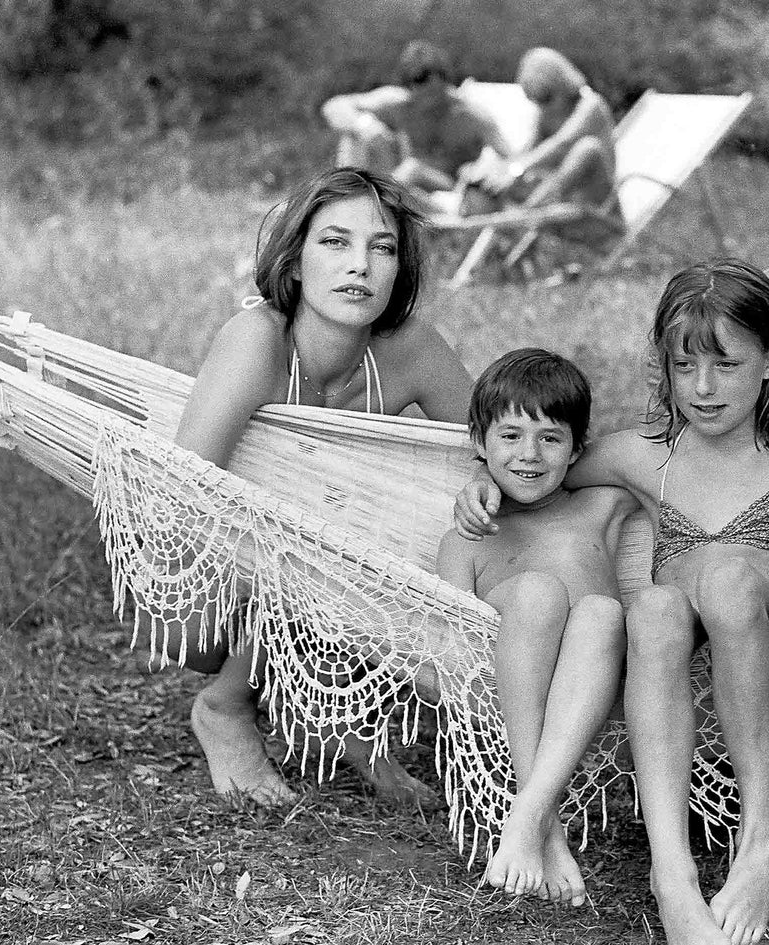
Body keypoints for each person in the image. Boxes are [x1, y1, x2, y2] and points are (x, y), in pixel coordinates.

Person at [456, 259, 769, 945]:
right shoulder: (641, 454)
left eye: (726, 365)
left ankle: (759, 839)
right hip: (675, 626)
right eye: (684, 367)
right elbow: (537, 465)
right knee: (649, 607)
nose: (703, 388)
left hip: (759, 610)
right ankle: (672, 874)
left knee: (724, 580)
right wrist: (481, 473)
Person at [165, 166, 475, 807]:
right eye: (335, 242)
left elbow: (490, 451)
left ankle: (343, 721)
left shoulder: (410, 348)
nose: (360, 265)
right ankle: (225, 706)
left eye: (382, 247)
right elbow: (182, 492)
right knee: (332, 522)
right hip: (193, 584)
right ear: (297, 260)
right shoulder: (257, 342)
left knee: (415, 523)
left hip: (318, 571)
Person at [436, 348, 637, 906]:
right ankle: (543, 822)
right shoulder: (466, 540)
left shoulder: (604, 505)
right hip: (506, 689)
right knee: (537, 592)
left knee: (601, 612)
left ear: (577, 449)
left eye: (550, 438)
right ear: (479, 443)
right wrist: (481, 477)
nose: (529, 454)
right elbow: (450, 655)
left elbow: (669, 449)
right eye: (510, 437)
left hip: (596, 684)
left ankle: (526, 817)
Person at [472, 47, 623, 248]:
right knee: (498, 169)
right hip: (559, 198)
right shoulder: (544, 114)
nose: (543, 107)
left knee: (587, 148)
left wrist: (517, 171)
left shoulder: (591, 106)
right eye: (536, 100)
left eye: (545, 98)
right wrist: (497, 172)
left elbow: (562, 143)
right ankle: (508, 221)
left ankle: (525, 215)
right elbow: (526, 155)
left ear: (561, 84)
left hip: (598, 203)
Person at [321, 41, 512, 199]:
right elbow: (334, 106)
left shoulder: (469, 115)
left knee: (412, 168)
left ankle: (366, 201)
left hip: (448, 186)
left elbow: (511, 157)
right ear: (410, 90)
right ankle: (346, 196)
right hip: (403, 184)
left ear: (446, 82)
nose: (433, 101)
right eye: (425, 95)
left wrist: (488, 168)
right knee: (353, 134)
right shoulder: (400, 104)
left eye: (438, 92)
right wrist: (364, 125)